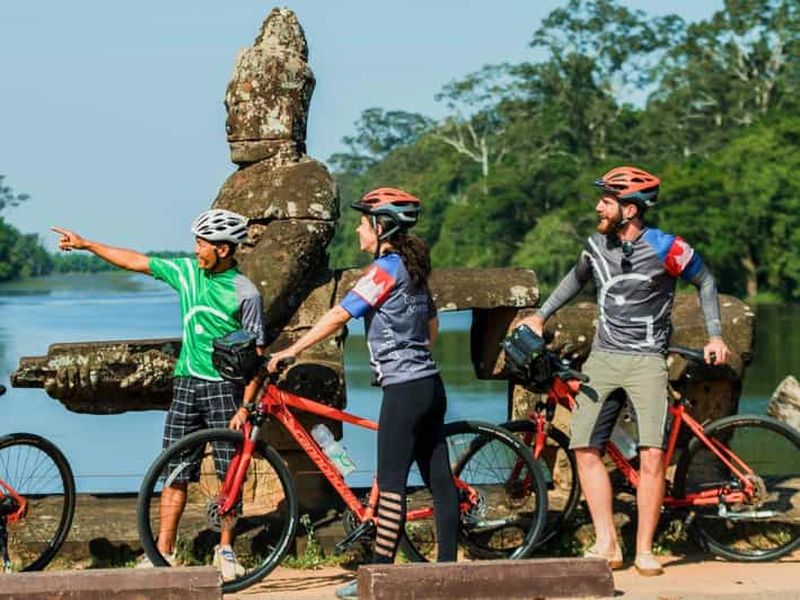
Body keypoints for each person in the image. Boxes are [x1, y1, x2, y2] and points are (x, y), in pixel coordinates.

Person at [521, 166, 731, 576]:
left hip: (648, 361)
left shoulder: (667, 247)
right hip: (602, 359)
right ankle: (608, 543)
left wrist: (716, 336)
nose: (598, 207)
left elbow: (705, 280)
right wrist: (540, 315)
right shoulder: (596, 246)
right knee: (585, 448)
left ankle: (646, 551)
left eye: (606, 201)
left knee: (652, 455)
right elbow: (574, 280)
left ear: (630, 209)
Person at [52, 209, 266, 581]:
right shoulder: (187, 273)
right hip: (186, 384)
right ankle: (163, 552)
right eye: (196, 242)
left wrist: (246, 407)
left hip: (225, 389)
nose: (196, 250)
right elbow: (135, 261)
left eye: (202, 244)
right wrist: (86, 244)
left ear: (223, 249)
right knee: (174, 470)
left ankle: (226, 550)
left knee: (229, 474)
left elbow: (256, 356)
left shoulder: (245, 292)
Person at [267, 187, 459, 600]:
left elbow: (339, 314)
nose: (357, 229)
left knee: (390, 486)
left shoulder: (384, 270)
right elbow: (432, 327)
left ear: (381, 227)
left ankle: (379, 577)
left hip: (404, 390)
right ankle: (447, 571)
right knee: (440, 481)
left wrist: (291, 351)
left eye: (362, 223)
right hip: (429, 384)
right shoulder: (413, 268)